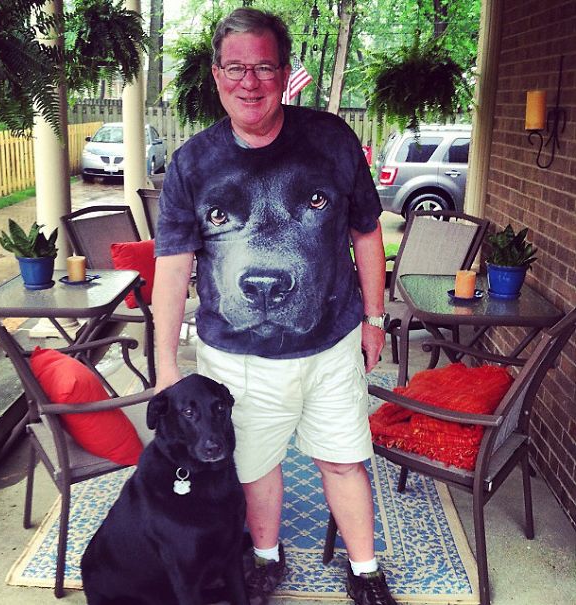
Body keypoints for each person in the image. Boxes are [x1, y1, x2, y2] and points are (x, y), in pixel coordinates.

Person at [152, 7, 396, 605]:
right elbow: (173, 268)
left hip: (330, 341)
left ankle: (365, 571)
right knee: (255, 467)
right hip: (236, 358)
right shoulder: (192, 163)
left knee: (343, 461)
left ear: (285, 72)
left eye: (263, 67)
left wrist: (373, 317)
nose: (249, 82)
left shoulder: (331, 140)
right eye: (236, 68)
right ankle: (265, 557)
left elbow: (367, 231)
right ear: (216, 75)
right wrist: (166, 362)